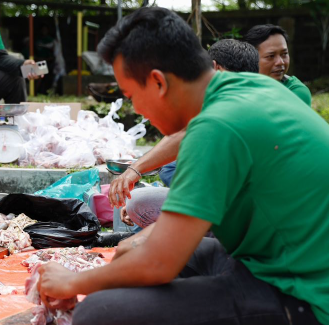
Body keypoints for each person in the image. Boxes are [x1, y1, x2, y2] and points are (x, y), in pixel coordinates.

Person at [37, 7, 329, 325]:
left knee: (97, 316)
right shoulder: (246, 88)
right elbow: (183, 139)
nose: (137, 110)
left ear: (159, 82)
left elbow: (160, 264)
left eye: (131, 97)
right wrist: (140, 245)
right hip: (276, 259)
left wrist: (73, 281)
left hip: (306, 297)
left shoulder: (217, 127)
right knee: (137, 256)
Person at [110, 39, 261, 231]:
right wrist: (135, 170)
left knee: (142, 208)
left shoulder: (228, 105)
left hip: (245, 224)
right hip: (259, 213)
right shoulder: (261, 96)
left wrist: (145, 242)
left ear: (214, 67)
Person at [244, 24, 312, 105]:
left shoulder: (295, 92)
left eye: (284, 54)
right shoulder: (238, 84)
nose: (280, 62)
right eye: (271, 56)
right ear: (251, 57)